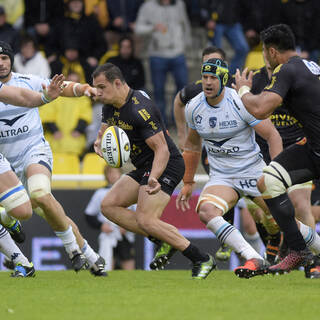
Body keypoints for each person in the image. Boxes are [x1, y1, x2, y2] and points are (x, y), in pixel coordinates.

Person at [92, 62, 215, 279]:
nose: (97, 92)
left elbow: (163, 149)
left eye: (102, 87)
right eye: (96, 87)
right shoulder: (109, 106)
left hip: (166, 164)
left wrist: (155, 177)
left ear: (118, 83)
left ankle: (201, 258)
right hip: (144, 166)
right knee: (108, 206)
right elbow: (104, 131)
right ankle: (162, 239)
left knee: (146, 219)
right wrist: (99, 142)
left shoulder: (140, 109)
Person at [0, 40, 106, 276]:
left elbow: (60, 86)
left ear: (11, 60)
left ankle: (76, 253)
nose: (1, 63)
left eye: (4, 58)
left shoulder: (27, 80)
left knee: (40, 194)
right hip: (6, 164)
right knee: (35, 209)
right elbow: (25, 98)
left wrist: (83, 89)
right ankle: (91, 255)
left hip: (33, 151)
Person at [175, 57, 283, 278]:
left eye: (213, 77)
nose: (207, 82)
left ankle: (277, 239)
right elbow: (193, 144)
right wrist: (188, 182)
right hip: (223, 176)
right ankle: (253, 257)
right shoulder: (194, 107)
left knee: (282, 217)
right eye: (204, 77)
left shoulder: (240, 102)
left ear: (223, 79)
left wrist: (277, 171)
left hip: (253, 171)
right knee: (205, 210)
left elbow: (272, 134)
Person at [233, 24, 320, 277]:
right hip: (313, 146)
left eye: (263, 52)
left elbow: (260, 109)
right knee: (268, 181)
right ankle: (299, 251)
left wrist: (243, 89)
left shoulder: (286, 69)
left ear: (271, 52)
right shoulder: (310, 66)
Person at [135, 0, 192, 126]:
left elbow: (185, 24)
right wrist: (152, 28)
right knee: (158, 91)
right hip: (157, 55)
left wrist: (186, 44)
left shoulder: (179, 4)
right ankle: (162, 124)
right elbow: (138, 28)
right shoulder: (147, 6)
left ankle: (177, 119)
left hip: (178, 53)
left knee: (182, 88)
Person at [85, 166, 136, 271]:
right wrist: (101, 225)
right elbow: (89, 215)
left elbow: (136, 213)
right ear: (106, 176)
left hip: (125, 234)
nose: (113, 176)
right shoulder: (100, 193)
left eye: (115, 173)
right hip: (108, 233)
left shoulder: (128, 191)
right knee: (108, 260)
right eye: (110, 173)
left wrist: (126, 225)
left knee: (128, 261)